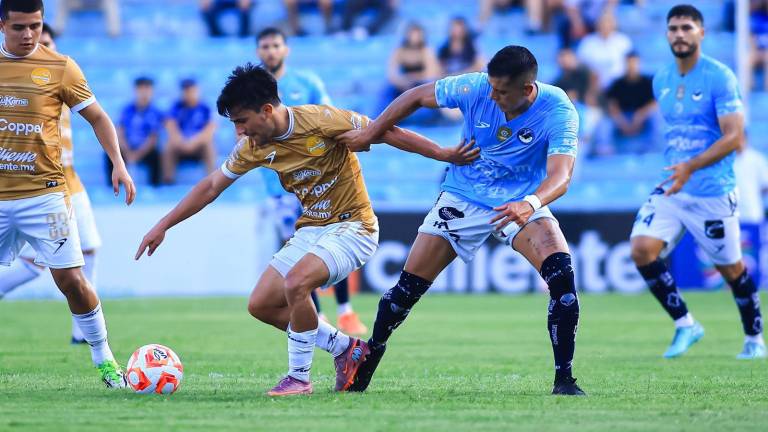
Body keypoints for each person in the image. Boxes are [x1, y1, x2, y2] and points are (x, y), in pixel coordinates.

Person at [135, 63, 477, 396]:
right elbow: (211, 187)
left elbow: (386, 131)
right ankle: (347, 348)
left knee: (296, 282)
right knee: (262, 304)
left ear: (267, 110)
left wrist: (444, 153)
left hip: (354, 227)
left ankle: (298, 378)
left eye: (242, 121)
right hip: (312, 228)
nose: (239, 132)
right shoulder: (253, 147)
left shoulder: (321, 119)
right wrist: (164, 225)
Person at [337, 45, 584, 395]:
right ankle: (369, 356)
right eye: (491, 87)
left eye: (501, 91)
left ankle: (565, 380)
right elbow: (415, 96)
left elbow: (561, 176)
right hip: (463, 195)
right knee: (402, 294)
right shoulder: (475, 86)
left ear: (528, 90)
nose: (492, 95)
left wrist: (530, 203)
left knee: (563, 280)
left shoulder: (558, 110)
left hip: (519, 202)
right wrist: (371, 131)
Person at [0, 0, 135, 387]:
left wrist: (119, 165)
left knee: (72, 281)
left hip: (45, 196)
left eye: (36, 26)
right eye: (19, 27)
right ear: (2, 25)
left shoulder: (60, 67)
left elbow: (98, 117)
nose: (29, 35)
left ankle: (104, 359)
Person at [630, 4, 765, 360]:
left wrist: (690, 166)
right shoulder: (661, 79)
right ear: (666, 35)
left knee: (732, 269)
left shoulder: (720, 77)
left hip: (712, 193)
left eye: (687, 28)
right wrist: (681, 169)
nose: (679, 34)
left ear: (701, 33)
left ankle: (754, 338)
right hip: (673, 187)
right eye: (673, 28)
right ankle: (686, 323)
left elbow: (734, 137)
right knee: (641, 249)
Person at [256, 27, 368, 335]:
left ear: (286, 50)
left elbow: (332, 118)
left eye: (276, 45)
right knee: (299, 251)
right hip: (280, 189)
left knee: (329, 242)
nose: (270, 51)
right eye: (265, 46)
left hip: (321, 183)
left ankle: (345, 311)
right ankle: (319, 315)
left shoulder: (306, 83)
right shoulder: (254, 96)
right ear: (258, 52)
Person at [0, 22, 103, 347]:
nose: (38, 43)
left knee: (85, 254)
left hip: (69, 184)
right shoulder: (22, 84)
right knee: (51, 265)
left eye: (46, 40)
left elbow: (96, 116)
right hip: (35, 187)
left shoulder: (59, 80)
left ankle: (81, 333)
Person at [108, 76, 164, 187]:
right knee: (110, 155)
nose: (144, 93)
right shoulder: (126, 110)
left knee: (157, 156)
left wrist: (137, 155)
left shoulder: (155, 112)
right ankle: (113, 187)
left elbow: (153, 138)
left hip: (145, 150)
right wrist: (127, 152)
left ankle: (155, 188)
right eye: (141, 89)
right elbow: (120, 133)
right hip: (127, 148)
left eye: (147, 89)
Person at [162, 78, 217, 184]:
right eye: (186, 91)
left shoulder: (205, 108)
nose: (189, 94)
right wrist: (182, 142)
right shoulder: (176, 107)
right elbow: (171, 128)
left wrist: (193, 142)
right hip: (180, 145)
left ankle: (212, 182)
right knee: (168, 146)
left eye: (192, 90)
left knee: (209, 145)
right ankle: (168, 181)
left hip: (198, 145)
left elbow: (210, 130)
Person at [603, 51, 657, 154]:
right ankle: (607, 150)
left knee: (656, 117)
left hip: (643, 116)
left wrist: (641, 114)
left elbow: (655, 103)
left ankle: (652, 149)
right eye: (629, 63)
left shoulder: (648, 81)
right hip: (623, 116)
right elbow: (612, 105)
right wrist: (621, 121)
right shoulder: (617, 83)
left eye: (634, 63)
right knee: (606, 122)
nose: (632, 66)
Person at [575, 9, 632, 90]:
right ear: (597, 24)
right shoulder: (587, 42)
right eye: (603, 22)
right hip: (593, 87)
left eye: (609, 22)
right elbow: (580, 64)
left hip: (620, 87)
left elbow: (631, 64)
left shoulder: (623, 41)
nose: (605, 25)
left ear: (614, 24)